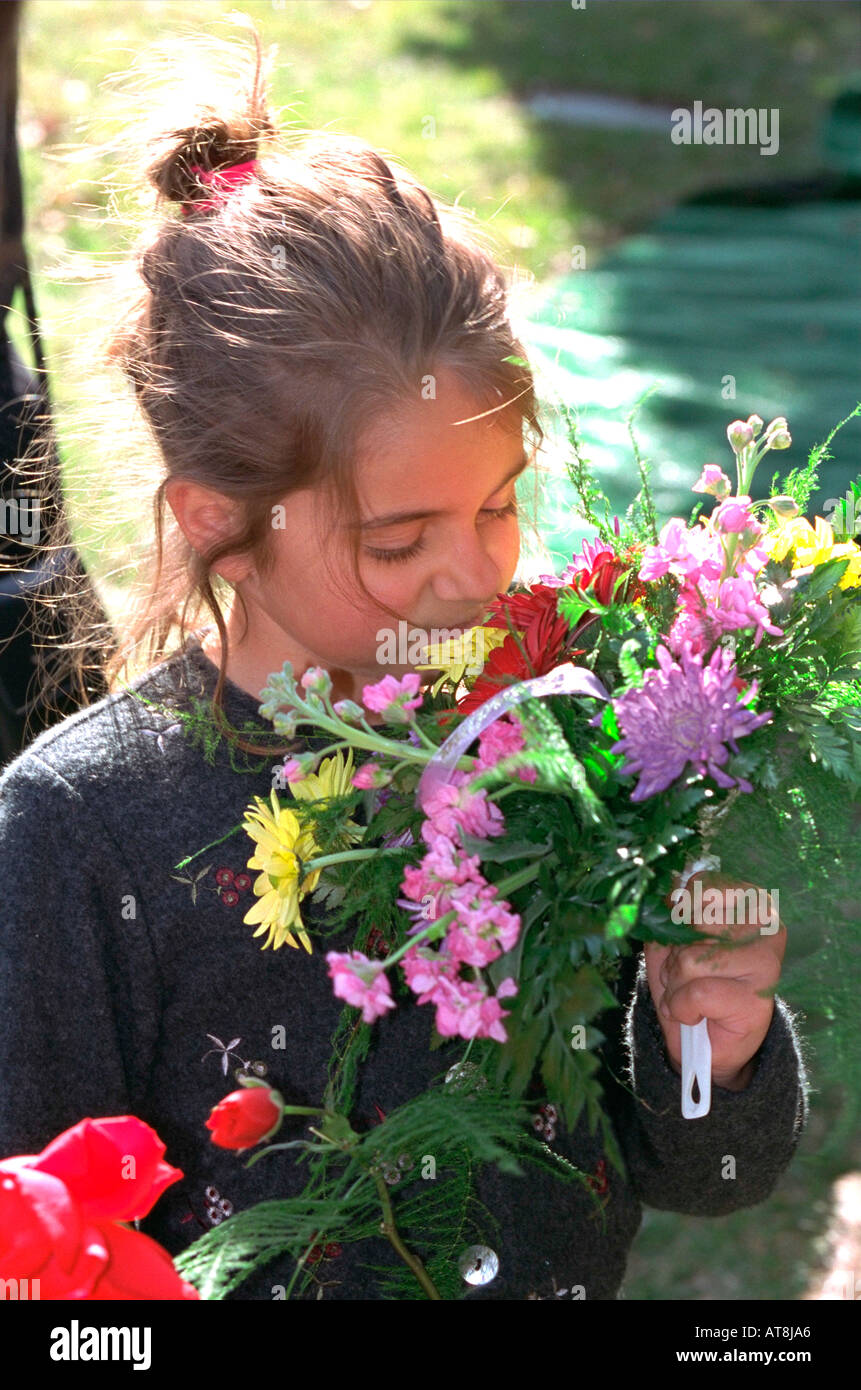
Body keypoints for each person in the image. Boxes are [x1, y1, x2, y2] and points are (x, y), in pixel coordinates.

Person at [0, 25, 808, 1301]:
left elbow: (707, 1171)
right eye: (397, 539)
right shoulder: (80, 830)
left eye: (498, 505)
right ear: (217, 516)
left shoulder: (565, 743)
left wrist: (713, 1043)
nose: (475, 577)